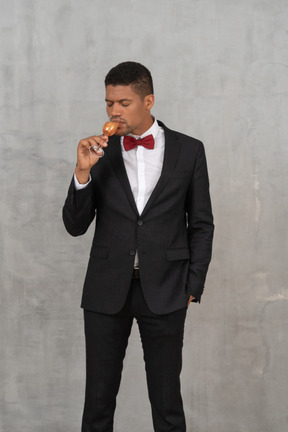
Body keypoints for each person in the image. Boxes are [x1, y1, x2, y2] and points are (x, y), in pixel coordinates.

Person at [62, 61, 214, 432]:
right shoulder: (99, 152)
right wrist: (82, 173)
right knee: (97, 402)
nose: (114, 111)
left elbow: (201, 224)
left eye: (124, 103)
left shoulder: (189, 150)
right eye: (109, 103)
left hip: (166, 289)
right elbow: (75, 226)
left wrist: (192, 285)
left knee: (167, 403)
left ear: (149, 100)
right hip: (105, 288)